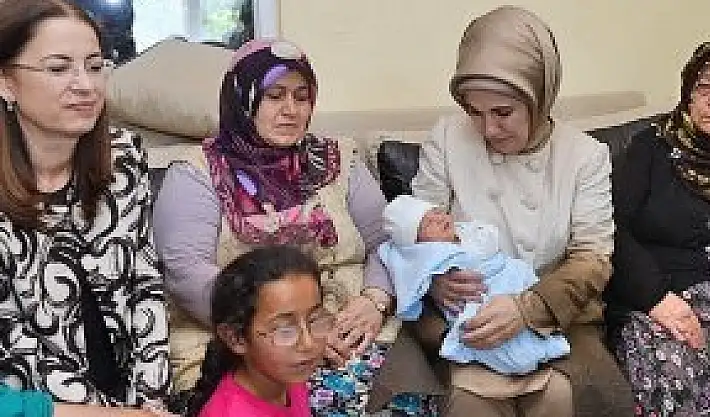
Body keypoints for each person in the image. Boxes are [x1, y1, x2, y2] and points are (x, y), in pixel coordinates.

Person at [153, 39, 439, 416]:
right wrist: (299, 332)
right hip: (255, 346)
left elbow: (386, 243)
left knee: (410, 403)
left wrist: (374, 301)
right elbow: (186, 274)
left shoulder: (340, 160)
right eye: (274, 96)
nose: (291, 110)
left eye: (301, 97)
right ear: (242, 98)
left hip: (357, 333)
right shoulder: (197, 174)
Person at [410, 5, 634, 417]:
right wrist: (435, 279)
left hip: (558, 315)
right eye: (474, 112)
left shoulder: (585, 156)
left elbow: (593, 258)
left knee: (559, 398)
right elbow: (417, 228)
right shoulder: (446, 138)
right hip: (468, 317)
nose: (487, 129)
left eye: (503, 113)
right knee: (468, 403)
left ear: (540, 97)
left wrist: (527, 309)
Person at [0, 0, 169, 415]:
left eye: (95, 66)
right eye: (59, 68)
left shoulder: (124, 155)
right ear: (6, 82)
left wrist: (150, 402)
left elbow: (144, 281)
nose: (86, 86)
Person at [605, 39, 710, 416]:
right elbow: (610, 228)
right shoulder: (650, 148)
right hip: (660, 305)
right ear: (687, 94)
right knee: (672, 372)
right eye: (704, 87)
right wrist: (657, 299)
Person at [378, 194, 570, 374]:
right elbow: (404, 267)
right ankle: (519, 357)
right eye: (428, 223)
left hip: (508, 275)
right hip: (475, 295)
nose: (438, 219)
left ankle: (547, 345)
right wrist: (430, 280)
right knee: (485, 328)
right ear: (417, 244)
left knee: (527, 302)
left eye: (436, 212)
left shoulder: (467, 231)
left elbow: (490, 240)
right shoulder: (428, 257)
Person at [185, 246, 329, 417]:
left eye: (314, 320)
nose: (308, 343)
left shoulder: (289, 375)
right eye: (284, 330)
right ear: (236, 338)